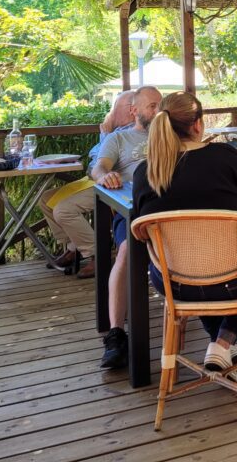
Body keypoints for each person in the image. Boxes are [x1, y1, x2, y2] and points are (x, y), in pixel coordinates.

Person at [130, 92, 237, 372]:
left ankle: (224, 344)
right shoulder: (227, 159)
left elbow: (143, 232)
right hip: (235, 280)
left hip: (175, 283)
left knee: (204, 270)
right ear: (198, 125)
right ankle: (224, 342)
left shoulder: (145, 173)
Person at [94, 85, 162, 367]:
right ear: (134, 111)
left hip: (170, 208)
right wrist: (106, 175)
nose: (158, 112)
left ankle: (233, 320)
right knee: (125, 252)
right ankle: (116, 333)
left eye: (161, 106)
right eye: (152, 106)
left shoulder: (170, 136)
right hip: (133, 210)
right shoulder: (118, 140)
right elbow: (98, 168)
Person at [39, 90, 136, 276]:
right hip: (94, 179)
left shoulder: (128, 132)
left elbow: (103, 160)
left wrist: (106, 135)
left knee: (63, 210)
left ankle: (98, 255)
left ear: (132, 110)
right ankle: (73, 247)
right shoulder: (114, 131)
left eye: (116, 107)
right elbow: (94, 155)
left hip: (113, 185)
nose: (112, 111)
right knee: (46, 199)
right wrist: (106, 134)